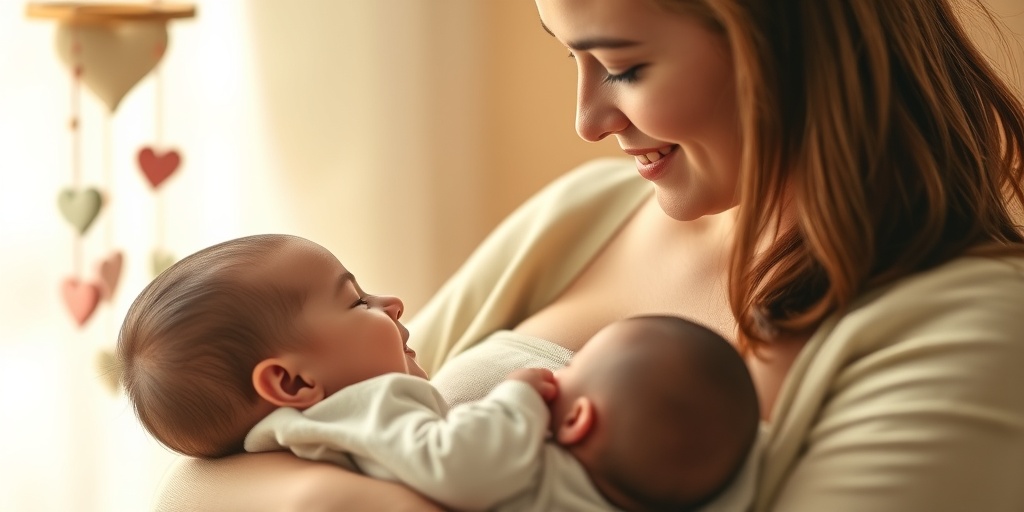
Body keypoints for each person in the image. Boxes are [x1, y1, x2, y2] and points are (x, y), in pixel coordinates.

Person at [153, 0, 1024, 510]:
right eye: (571, 56)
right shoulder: (586, 215)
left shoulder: (971, 334)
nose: (588, 121)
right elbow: (195, 480)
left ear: (786, 44)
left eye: (624, 67)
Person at [119, 233, 761, 512]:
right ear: (292, 385)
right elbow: (464, 468)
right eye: (357, 302)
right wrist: (516, 400)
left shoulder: (341, 430)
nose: (394, 303)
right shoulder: (369, 407)